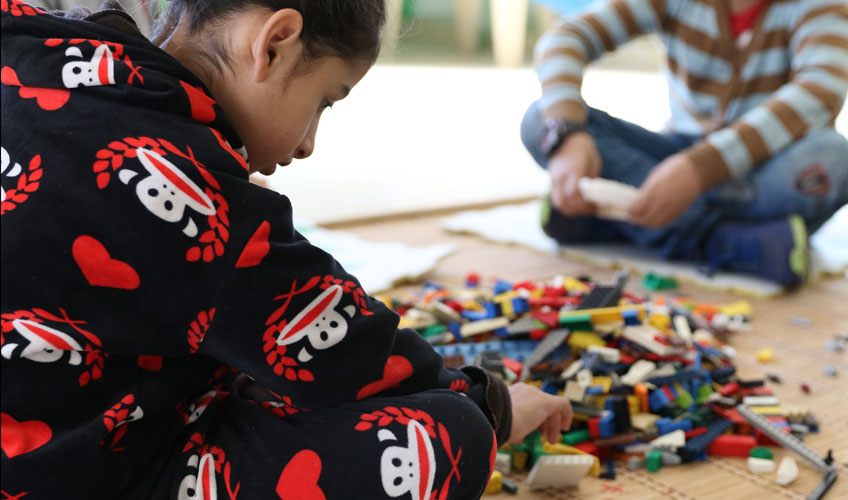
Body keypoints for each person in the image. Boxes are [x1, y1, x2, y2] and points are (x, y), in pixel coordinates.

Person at [0, 1, 572, 498]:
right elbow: (335, 337)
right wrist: (491, 404)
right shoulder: (193, 194)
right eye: (324, 101)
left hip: (41, 418)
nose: (307, 144)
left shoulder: (39, 48)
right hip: (84, 473)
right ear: (274, 44)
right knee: (450, 438)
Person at [522, 0, 848, 286]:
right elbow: (566, 37)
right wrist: (568, 132)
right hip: (674, 155)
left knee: (836, 158)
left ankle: (619, 221)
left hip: (761, 170)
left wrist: (699, 170)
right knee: (540, 120)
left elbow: (820, 91)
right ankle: (724, 242)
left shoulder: (818, 5)